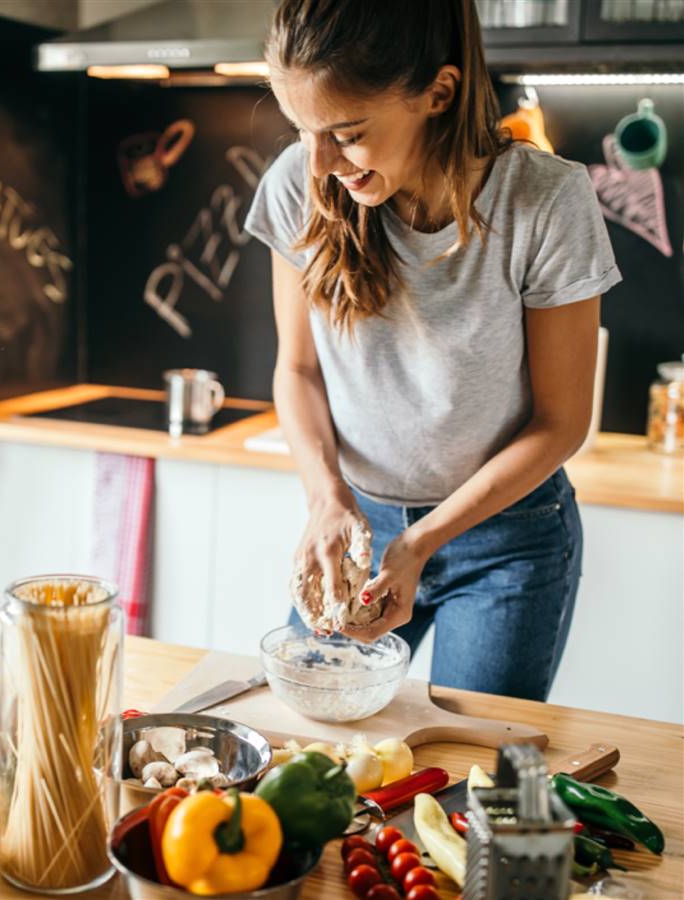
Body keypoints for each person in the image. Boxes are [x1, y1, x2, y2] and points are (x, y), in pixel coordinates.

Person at [244, 0, 621, 701]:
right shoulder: (300, 183)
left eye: (347, 134)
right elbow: (296, 370)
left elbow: (561, 421)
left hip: (507, 541)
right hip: (358, 523)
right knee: (312, 739)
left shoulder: (544, 202)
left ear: (438, 94)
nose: (320, 163)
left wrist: (422, 543)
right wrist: (326, 499)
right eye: (303, 132)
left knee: (470, 775)